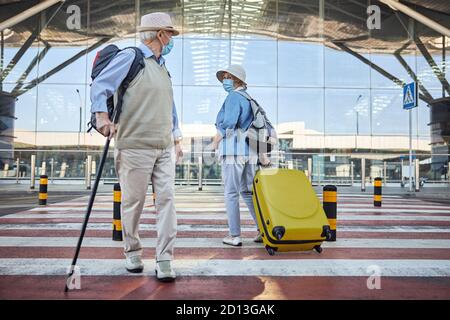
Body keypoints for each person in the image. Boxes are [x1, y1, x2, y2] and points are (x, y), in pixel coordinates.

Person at [90, 12, 183, 282]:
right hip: (134, 145)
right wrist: (101, 117)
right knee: (134, 203)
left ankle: (165, 258)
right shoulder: (132, 57)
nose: (171, 39)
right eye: (170, 33)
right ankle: (132, 251)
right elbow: (101, 84)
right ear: (159, 34)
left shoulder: (163, 67)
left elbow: (170, 107)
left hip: (163, 146)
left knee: (167, 202)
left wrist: (176, 139)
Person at [212, 65, 262, 247]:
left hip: (233, 151)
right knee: (248, 193)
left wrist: (217, 139)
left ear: (237, 80)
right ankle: (262, 230)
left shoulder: (233, 96)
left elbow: (229, 122)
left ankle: (235, 235)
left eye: (227, 77)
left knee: (231, 193)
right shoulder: (248, 98)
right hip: (249, 152)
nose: (225, 80)